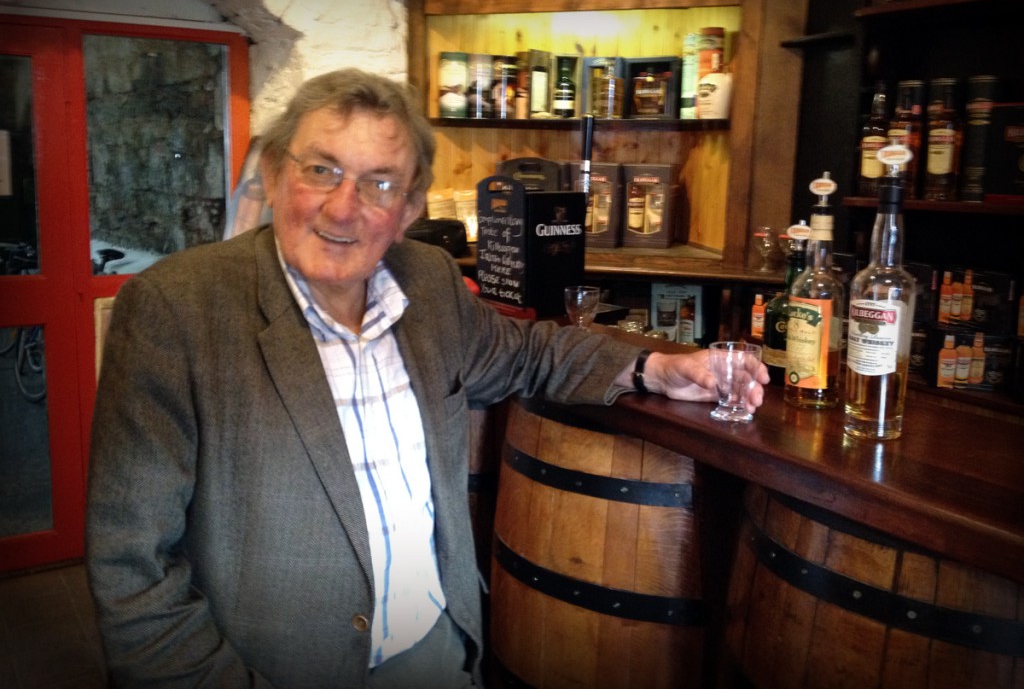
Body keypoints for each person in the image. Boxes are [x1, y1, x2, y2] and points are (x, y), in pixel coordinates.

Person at [86, 68, 768, 688]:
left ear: (410, 208)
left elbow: (529, 353)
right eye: (321, 170)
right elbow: (133, 570)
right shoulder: (178, 308)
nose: (344, 207)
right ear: (272, 170)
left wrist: (655, 366)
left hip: (441, 655)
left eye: (380, 182)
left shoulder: (430, 282)